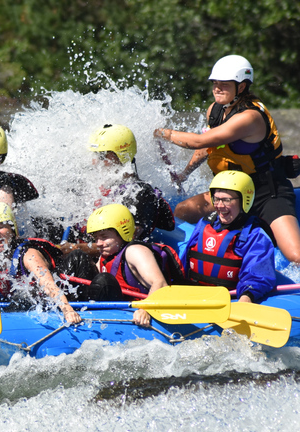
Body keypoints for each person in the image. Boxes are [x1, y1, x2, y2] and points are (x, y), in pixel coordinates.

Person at [154, 54, 300, 263]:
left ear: (241, 87)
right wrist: (184, 175)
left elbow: (198, 142)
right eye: (215, 83)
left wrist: (163, 133)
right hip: (230, 192)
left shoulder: (250, 117)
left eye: (224, 84)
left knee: (295, 255)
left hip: (266, 192)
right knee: (183, 211)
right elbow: (209, 146)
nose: (217, 88)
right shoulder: (215, 110)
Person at [0, 202, 83, 324]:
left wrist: (67, 310)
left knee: (21, 299)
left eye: (1, 226)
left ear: (13, 230)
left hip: (61, 301)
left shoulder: (29, 255)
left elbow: (48, 285)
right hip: (16, 308)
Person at [179, 171, 276, 303]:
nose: (219, 205)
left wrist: (245, 300)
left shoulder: (255, 235)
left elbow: (257, 276)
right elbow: (184, 264)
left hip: (230, 300)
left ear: (244, 200)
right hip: (194, 295)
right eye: (217, 199)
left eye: (226, 200)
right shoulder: (204, 224)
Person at [86, 204, 174, 327]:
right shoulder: (106, 255)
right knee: (79, 258)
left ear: (122, 232)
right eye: (96, 238)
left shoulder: (135, 251)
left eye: (104, 237)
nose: (98, 244)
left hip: (138, 312)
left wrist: (145, 310)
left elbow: (160, 283)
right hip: (121, 306)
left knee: (103, 280)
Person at [87, 124, 176, 241]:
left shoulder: (140, 195)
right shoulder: (98, 187)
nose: (96, 162)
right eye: (95, 155)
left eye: (102, 155)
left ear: (122, 156)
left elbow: (123, 243)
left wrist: (74, 248)